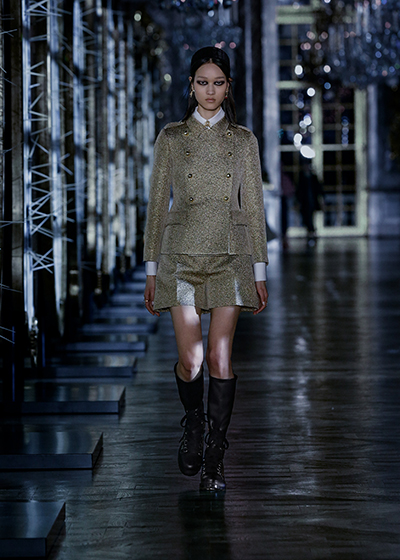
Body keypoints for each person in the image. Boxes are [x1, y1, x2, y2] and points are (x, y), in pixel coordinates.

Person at [143, 46, 268, 492]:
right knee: (191, 359)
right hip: (179, 256)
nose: (210, 91)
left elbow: (254, 206)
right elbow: (157, 204)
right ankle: (194, 422)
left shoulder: (244, 140)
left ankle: (215, 453)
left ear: (228, 87)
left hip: (230, 256)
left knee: (219, 356)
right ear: (191, 86)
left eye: (218, 83)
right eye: (202, 82)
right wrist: (151, 268)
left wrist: (259, 271)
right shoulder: (171, 138)